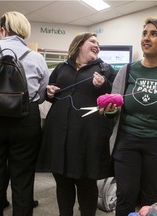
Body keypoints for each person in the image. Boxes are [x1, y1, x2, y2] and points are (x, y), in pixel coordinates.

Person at [101, 18, 157, 216]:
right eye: (144, 33)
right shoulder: (127, 70)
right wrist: (108, 109)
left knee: (150, 198)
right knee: (125, 195)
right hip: (127, 141)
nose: (146, 38)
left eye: (153, 34)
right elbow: (113, 112)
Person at [41, 33, 117, 216]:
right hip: (59, 136)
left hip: (87, 138)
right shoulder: (61, 68)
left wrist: (103, 85)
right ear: (79, 44)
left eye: (98, 43)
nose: (97, 45)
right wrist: (49, 92)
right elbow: (51, 94)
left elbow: (115, 99)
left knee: (86, 183)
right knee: (62, 180)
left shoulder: (105, 69)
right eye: (92, 41)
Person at [0, 11, 49, 215]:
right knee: (23, 178)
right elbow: (41, 96)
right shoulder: (37, 58)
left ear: (3, 30)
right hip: (25, 120)